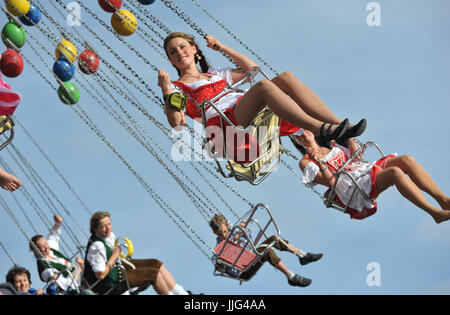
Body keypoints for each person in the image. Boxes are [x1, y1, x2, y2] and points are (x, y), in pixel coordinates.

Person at [157, 32, 367, 163]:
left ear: (194, 49)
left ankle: (339, 127)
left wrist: (221, 47)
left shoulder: (215, 74)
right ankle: (321, 128)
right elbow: (177, 123)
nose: (179, 52)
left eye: (182, 47)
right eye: (172, 52)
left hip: (240, 111)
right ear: (171, 61)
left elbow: (252, 70)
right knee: (264, 87)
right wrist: (166, 89)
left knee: (286, 77)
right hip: (223, 126)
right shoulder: (177, 87)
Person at [294, 129, 450, 223]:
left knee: (405, 160)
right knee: (394, 172)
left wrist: (350, 136)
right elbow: (331, 182)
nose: (304, 132)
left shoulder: (331, 144)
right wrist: (320, 164)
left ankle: (443, 200)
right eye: (299, 133)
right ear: (297, 140)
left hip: (360, 170)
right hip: (350, 187)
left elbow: (356, 158)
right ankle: (434, 213)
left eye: (305, 129)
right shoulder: (305, 162)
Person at [84, 211, 197, 295]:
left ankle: (182, 294)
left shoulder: (107, 236)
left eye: (109, 224)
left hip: (116, 269)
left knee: (155, 264)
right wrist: (114, 256)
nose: (108, 229)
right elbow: (100, 275)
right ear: (95, 229)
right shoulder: (96, 247)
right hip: (110, 285)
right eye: (103, 227)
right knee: (152, 274)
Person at [209, 214, 323, 287]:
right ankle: (291, 276)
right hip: (243, 270)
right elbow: (228, 266)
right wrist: (231, 246)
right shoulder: (220, 246)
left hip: (250, 258)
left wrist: (244, 231)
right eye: (220, 234)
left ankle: (302, 255)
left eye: (225, 231)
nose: (224, 235)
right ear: (215, 233)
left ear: (228, 226)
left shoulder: (234, 232)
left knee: (274, 239)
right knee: (267, 251)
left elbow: (250, 240)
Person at [29, 215, 85, 294]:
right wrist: (78, 269)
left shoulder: (50, 249)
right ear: (36, 251)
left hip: (82, 276)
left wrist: (57, 223)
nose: (46, 247)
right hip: (75, 290)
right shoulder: (45, 269)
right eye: (42, 247)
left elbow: (53, 235)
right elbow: (66, 285)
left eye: (46, 243)